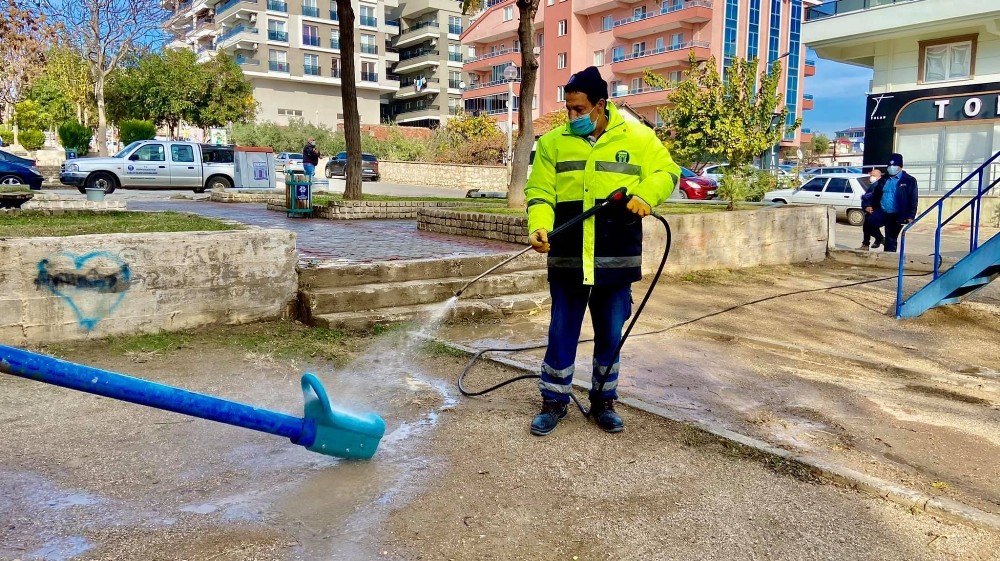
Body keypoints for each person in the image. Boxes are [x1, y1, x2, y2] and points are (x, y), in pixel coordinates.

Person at [524, 66, 679, 436]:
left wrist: (647, 195)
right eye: (568, 110)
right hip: (568, 256)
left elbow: (669, 171)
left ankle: (604, 402)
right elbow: (540, 193)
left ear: (600, 104)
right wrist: (539, 225)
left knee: (610, 334)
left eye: (579, 109)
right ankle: (553, 401)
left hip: (616, 256)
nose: (572, 116)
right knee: (562, 331)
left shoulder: (639, 138)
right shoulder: (552, 143)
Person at [864, 153, 918, 252]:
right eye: (889, 166)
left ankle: (888, 260)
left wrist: (910, 216)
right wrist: (869, 205)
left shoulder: (909, 180)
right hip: (883, 211)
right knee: (869, 223)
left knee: (891, 240)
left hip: (897, 214)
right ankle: (879, 238)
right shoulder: (884, 179)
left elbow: (913, 199)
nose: (891, 168)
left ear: (900, 167)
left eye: (894, 166)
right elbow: (873, 193)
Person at [858, 168, 884, 251]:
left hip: (875, 210)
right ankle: (866, 244)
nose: (871, 177)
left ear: (879, 176)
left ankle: (879, 239)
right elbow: (866, 199)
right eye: (871, 175)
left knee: (870, 226)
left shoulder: (878, 185)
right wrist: (866, 207)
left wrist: (868, 206)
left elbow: (869, 198)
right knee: (866, 227)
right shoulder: (873, 185)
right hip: (870, 210)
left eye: (873, 175)